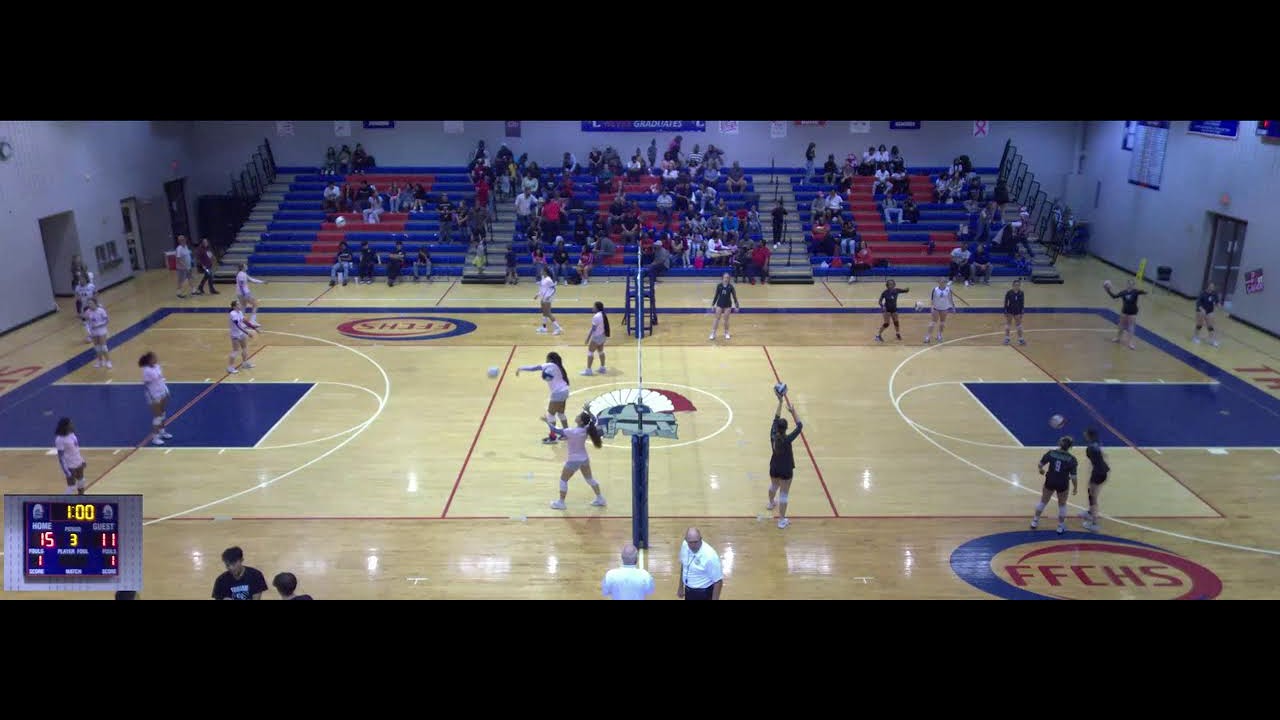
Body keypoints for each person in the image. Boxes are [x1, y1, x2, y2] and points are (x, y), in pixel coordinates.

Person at [542, 410, 607, 509]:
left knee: (563, 480)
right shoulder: (586, 429)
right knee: (589, 479)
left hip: (573, 460)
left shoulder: (571, 432)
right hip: (584, 458)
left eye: (578, 416)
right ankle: (600, 499)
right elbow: (593, 420)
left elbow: (555, 430)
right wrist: (589, 411)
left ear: (580, 422)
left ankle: (561, 503)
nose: (576, 416)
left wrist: (547, 421)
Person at [767, 390, 804, 529]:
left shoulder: (772, 433)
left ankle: (771, 503)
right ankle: (781, 520)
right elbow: (800, 426)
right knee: (783, 494)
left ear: (777, 427)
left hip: (774, 466)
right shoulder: (788, 439)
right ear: (786, 428)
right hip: (786, 469)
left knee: (774, 486)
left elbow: (775, 418)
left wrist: (780, 402)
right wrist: (793, 411)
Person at [517, 352, 571, 444]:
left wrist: (521, 368)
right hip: (565, 390)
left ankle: (552, 437)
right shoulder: (558, 367)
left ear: (550, 359)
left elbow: (534, 368)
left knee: (551, 415)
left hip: (557, 393)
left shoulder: (549, 364)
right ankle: (566, 433)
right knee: (561, 413)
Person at [1032, 436, 1078, 535]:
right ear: (1070, 447)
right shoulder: (1071, 459)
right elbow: (1073, 477)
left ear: (1060, 444)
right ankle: (1060, 527)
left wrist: (1041, 470)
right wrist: (1075, 487)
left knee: (1043, 501)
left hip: (1050, 480)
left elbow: (1040, 464)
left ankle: (1035, 521)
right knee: (1062, 505)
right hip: (1063, 483)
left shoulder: (1051, 453)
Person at [677, 527, 723, 600]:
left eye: (696, 542)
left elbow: (718, 581)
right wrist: (680, 586)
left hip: (704, 594)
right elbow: (684, 565)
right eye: (690, 542)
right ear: (686, 540)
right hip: (688, 591)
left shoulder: (710, 556)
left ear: (701, 539)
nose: (693, 545)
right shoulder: (685, 545)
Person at [138, 351, 173, 446]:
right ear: (149, 360)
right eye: (154, 357)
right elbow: (146, 384)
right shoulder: (146, 371)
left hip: (162, 391)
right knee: (157, 417)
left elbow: (161, 379)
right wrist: (152, 397)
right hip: (154, 395)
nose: (156, 359)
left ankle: (162, 431)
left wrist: (166, 390)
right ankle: (155, 437)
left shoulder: (157, 366)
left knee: (162, 414)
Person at [1079, 428, 1109, 532]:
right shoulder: (1096, 443)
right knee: (1090, 492)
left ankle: (1094, 523)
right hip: (1102, 471)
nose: (1084, 435)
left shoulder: (1089, 449)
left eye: (1085, 434)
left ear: (1088, 436)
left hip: (1098, 473)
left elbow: (1092, 457)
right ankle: (1089, 513)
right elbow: (1102, 455)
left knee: (1093, 497)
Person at [1105, 278, 1146, 350]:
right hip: (1124, 311)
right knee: (1121, 325)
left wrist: (1144, 291)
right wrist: (1108, 290)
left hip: (1133, 312)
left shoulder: (1135, 292)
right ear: (1127, 285)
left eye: (1132, 284)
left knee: (1131, 326)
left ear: (1133, 285)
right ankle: (1118, 338)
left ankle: (1130, 343)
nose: (1130, 285)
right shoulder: (1123, 292)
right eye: (1129, 284)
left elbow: (1143, 292)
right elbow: (1114, 296)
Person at [54, 417, 87, 495]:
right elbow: (61, 457)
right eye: (70, 424)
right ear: (66, 426)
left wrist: (82, 460)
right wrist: (66, 471)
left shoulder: (72, 434)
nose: (72, 425)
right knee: (71, 487)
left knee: (81, 481)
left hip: (78, 463)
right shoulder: (60, 439)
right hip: (70, 466)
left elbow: (76, 449)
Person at [708, 273, 739, 341]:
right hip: (720, 304)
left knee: (726, 319)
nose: (726, 279)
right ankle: (713, 333)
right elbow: (716, 296)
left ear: (729, 279)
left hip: (728, 305)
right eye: (725, 277)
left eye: (727, 278)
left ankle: (726, 332)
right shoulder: (719, 286)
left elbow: (734, 297)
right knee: (716, 319)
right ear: (722, 278)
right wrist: (713, 305)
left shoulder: (731, 287)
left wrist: (737, 306)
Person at [925, 278, 956, 344]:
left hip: (945, 308)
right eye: (941, 282)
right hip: (936, 308)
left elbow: (950, 299)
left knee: (942, 322)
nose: (942, 283)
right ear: (939, 282)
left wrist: (953, 307)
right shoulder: (935, 290)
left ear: (945, 283)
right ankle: (928, 336)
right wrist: (932, 308)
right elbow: (932, 299)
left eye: (944, 282)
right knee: (933, 322)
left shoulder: (948, 290)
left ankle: (939, 335)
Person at [583, 301, 610, 376]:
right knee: (600, 351)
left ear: (597, 308)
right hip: (603, 336)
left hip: (597, 337)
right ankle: (602, 368)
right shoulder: (602, 314)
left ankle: (588, 370)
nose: (592, 308)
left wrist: (587, 339)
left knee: (590, 352)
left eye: (594, 306)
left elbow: (593, 329)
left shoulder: (596, 317)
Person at [1193, 282, 1221, 347]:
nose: (1212, 288)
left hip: (1209, 311)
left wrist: (1218, 305)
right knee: (1200, 324)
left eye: (1213, 287)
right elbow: (1198, 303)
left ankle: (1212, 341)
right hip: (1201, 310)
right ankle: (1195, 337)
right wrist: (1202, 309)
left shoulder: (1214, 294)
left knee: (1210, 326)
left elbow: (1217, 302)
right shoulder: (1202, 293)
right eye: (1211, 286)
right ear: (1208, 287)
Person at [1004, 278, 1026, 345]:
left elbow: (1022, 302)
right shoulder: (1009, 292)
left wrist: (1022, 311)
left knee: (1019, 325)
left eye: (1018, 285)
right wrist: (1005, 310)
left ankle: (1020, 339)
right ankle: (1007, 338)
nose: (1017, 286)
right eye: (1015, 285)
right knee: (1008, 324)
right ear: (1013, 285)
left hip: (1018, 311)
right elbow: (1006, 302)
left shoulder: (1021, 293)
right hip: (1010, 310)